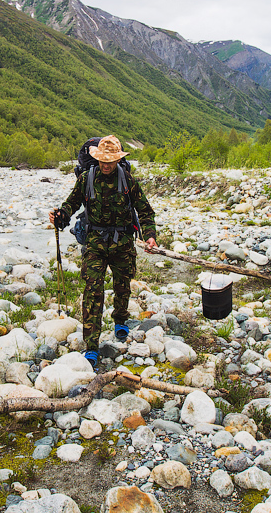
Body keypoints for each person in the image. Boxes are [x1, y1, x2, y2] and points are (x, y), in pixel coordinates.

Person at [50, 135, 158, 370]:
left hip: (123, 243)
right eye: (102, 160)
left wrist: (150, 235)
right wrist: (61, 216)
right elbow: (72, 204)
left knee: (122, 284)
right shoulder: (87, 179)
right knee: (93, 290)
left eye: (110, 161)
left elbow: (145, 210)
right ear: (96, 158)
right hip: (95, 244)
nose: (106, 165)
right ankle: (91, 345)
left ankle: (120, 320)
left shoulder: (127, 180)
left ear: (118, 159)